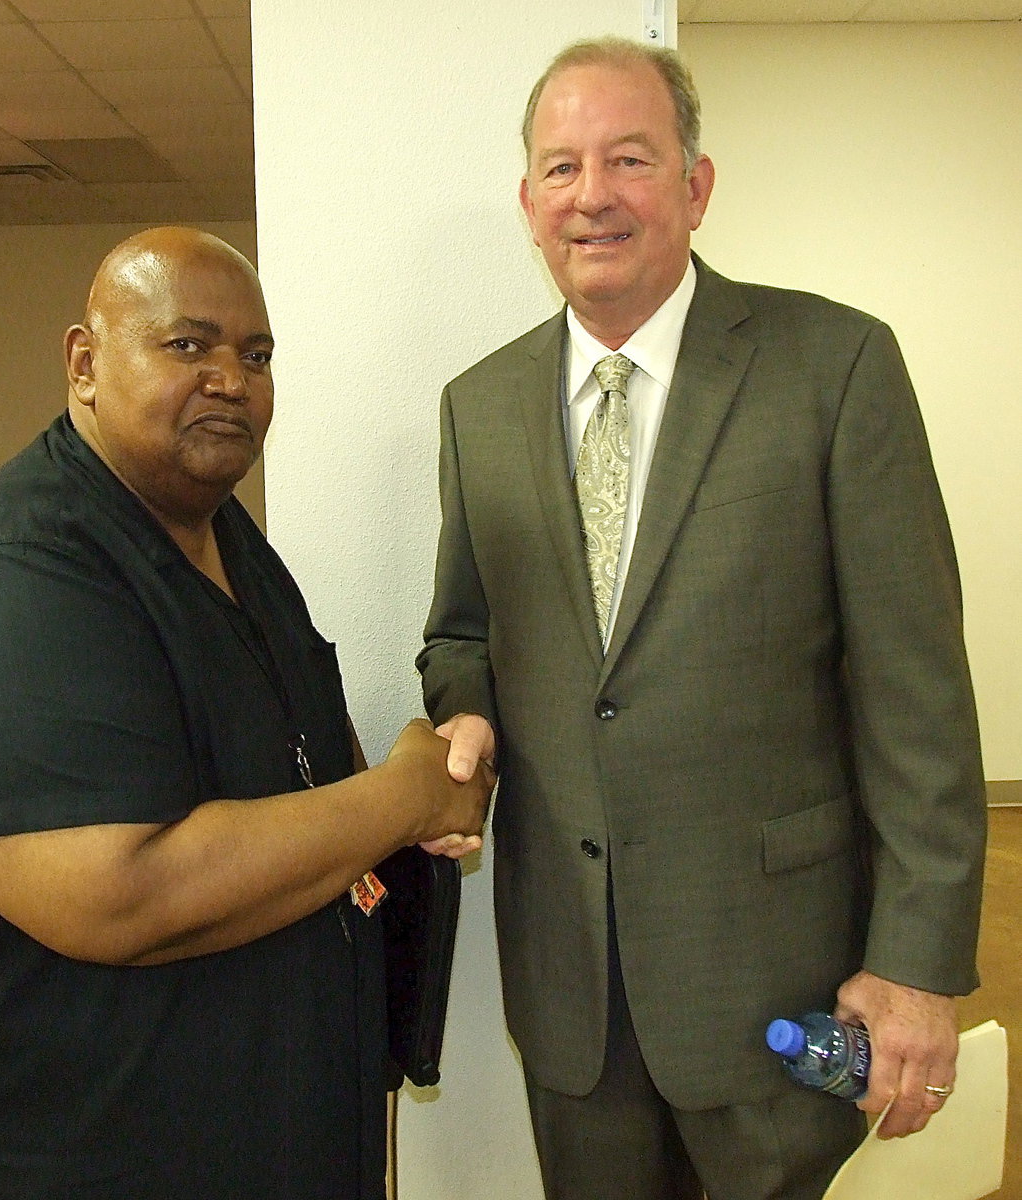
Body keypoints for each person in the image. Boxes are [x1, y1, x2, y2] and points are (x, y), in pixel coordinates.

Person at [417, 37, 986, 1200]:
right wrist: (465, 714)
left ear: (695, 184)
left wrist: (918, 969)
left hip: (783, 982)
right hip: (572, 992)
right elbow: (461, 632)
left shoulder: (835, 366)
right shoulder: (478, 408)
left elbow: (917, 695)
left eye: (630, 158)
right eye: (563, 167)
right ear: (529, 203)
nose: (594, 195)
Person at [0, 226, 492, 1200]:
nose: (230, 377)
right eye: (188, 345)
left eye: (255, 355)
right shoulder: (12, 577)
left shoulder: (220, 535)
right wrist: (400, 799)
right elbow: (115, 891)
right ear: (85, 363)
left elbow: (303, 762)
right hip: (85, 1160)